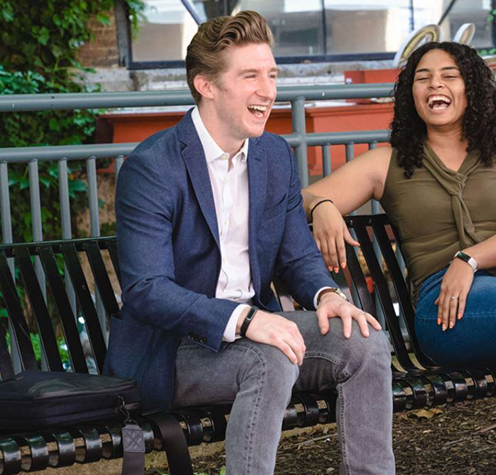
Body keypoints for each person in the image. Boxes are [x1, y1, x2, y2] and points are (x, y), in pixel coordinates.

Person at [104, 11, 395, 475]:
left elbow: (296, 253)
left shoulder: (273, 154)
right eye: (250, 76)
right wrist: (244, 320)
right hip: (173, 350)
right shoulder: (153, 167)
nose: (268, 91)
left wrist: (327, 296)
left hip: (258, 333)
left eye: (272, 75)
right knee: (270, 359)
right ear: (207, 85)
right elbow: (147, 290)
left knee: (365, 340)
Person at [302, 42, 496, 475]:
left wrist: (468, 259)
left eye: (449, 75)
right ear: (411, 95)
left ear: (470, 87)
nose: (435, 84)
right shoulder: (388, 163)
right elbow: (309, 194)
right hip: (447, 310)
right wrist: (321, 206)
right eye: (423, 77)